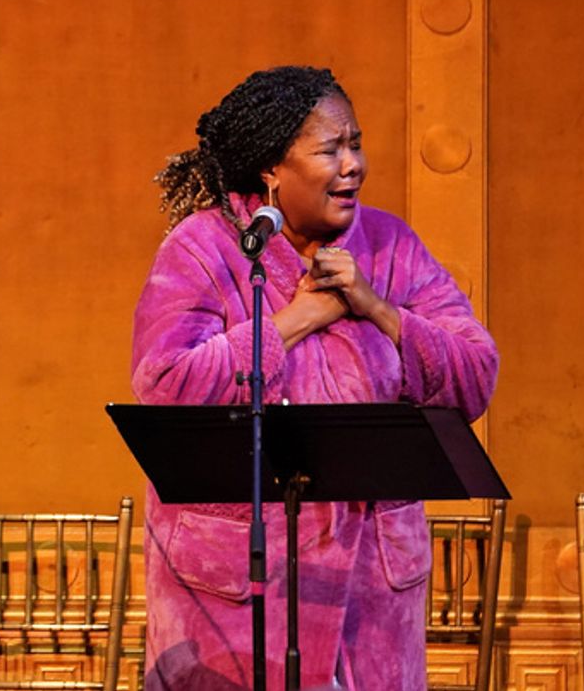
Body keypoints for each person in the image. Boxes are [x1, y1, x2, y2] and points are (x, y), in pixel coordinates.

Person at [131, 66, 498, 690]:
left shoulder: (392, 246)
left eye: (355, 143)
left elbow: (474, 376)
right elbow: (166, 382)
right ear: (272, 168)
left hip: (370, 595)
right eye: (331, 149)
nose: (353, 163)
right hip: (235, 596)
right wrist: (296, 319)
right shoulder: (204, 248)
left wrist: (377, 307)